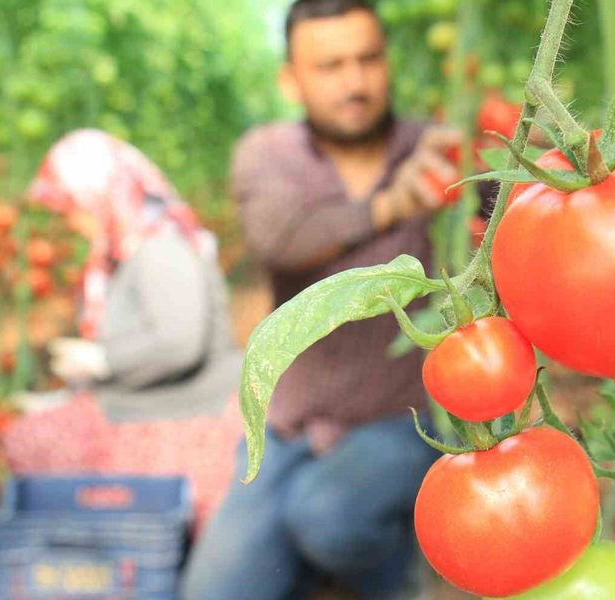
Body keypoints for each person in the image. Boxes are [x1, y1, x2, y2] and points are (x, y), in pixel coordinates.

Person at [181, 1, 472, 598]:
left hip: (403, 419)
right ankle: (334, 559)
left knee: (329, 519)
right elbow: (281, 238)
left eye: (367, 59)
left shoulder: (437, 149)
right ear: (292, 78)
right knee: (215, 591)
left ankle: (388, 570)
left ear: (387, 62)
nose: (355, 82)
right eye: (330, 65)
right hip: (290, 425)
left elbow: (510, 221)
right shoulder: (269, 153)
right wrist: (390, 205)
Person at [2, 129, 244, 530]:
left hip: (188, 409)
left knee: (37, 441)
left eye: (74, 208)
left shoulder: (159, 249)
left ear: (102, 195)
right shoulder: (130, 250)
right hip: (157, 401)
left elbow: (180, 344)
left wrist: (103, 360)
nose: (73, 222)